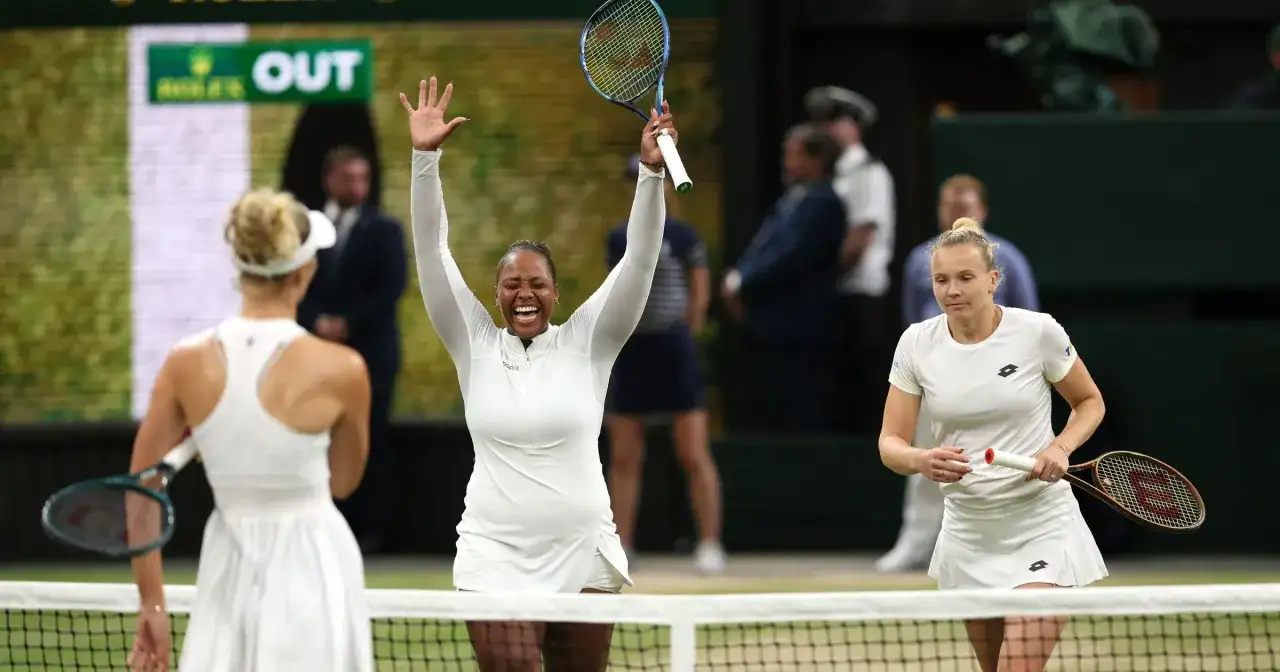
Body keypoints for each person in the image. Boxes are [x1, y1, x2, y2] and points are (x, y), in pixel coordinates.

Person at [400, 77, 674, 670]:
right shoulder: (471, 341)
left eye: (537, 284)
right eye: (512, 284)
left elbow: (639, 260)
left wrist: (652, 175)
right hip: (493, 552)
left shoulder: (589, 340)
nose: (524, 294)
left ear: (555, 292)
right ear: (496, 293)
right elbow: (432, 252)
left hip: (583, 549)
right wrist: (425, 161)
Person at [127, 189, 373, 671]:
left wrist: (151, 604)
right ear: (303, 272)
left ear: (240, 270)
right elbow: (343, 482)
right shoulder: (344, 369)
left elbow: (141, 493)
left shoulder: (183, 364)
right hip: (314, 567)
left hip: (227, 567)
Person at [877, 217, 1108, 672]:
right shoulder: (916, 344)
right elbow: (890, 443)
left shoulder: (1038, 332)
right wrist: (921, 459)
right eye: (941, 280)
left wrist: (1060, 448)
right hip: (969, 532)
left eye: (965, 277)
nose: (952, 290)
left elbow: (1089, 402)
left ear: (993, 279)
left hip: (1042, 522)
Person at [876, 174, 1041, 573]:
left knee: (1003, 465)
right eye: (949, 207)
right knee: (927, 462)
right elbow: (912, 317)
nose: (957, 214)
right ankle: (916, 546)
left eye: (964, 207)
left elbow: (1029, 322)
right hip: (936, 383)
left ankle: (1013, 547)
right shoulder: (919, 259)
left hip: (998, 385)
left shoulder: (1008, 258)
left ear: (982, 210)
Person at [605, 154, 725, 575]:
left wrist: (687, 334)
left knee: (693, 453)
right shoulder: (619, 237)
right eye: (636, 179)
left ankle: (710, 543)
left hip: (674, 349)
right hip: (632, 349)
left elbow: (699, 292)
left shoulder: (684, 236)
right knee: (624, 456)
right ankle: (621, 545)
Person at [297, 145, 407, 554]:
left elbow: (391, 289)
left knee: (369, 438)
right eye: (348, 179)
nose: (357, 187)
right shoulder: (306, 232)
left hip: (370, 357)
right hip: (316, 355)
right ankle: (320, 523)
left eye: (362, 179)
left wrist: (347, 324)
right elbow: (294, 284)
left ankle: (369, 532)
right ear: (329, 180)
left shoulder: (386, 230)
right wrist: (316, 321)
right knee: (317, 440)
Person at [722, 123, 847, 432]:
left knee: (802, 414)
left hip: (802, 333)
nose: (786, 162)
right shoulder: (790, 200)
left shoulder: (824, 202)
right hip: (770, 330)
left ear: (816, 160)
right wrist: (739, 276)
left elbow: (792, 254)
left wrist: (743, 281)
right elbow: (763, 246)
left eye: (793, 154)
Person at [804, 85, 897, 432]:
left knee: (866, 384)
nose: (827, 129)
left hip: (861, 294)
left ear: (854, 126)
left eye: (835, 121)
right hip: (836, 294)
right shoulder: (832, 174)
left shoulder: (869, 172)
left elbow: (860, 237)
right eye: (822, 122)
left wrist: (822, 275)